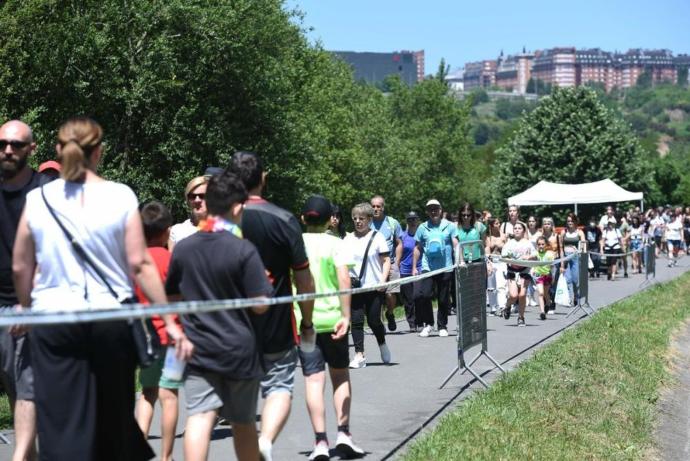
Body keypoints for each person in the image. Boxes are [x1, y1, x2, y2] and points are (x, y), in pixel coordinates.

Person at [13, 117, 192, 460]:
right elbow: (140, 263)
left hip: (54, 321)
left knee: (61, 419)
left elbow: (21, 265)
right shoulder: (119, 196)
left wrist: (27, 306)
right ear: (99, 153)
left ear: (58, 151)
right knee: (111, 417)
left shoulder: (38, 199)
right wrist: (169, 322)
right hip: (109, 320)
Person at [165, 170, 270, 461]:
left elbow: (171, 297)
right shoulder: (243, 249)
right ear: (236, 208)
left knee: (199, 418)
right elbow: (261, 305)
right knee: (243, 422)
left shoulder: (184, 248)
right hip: (239, 348)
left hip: (198, 348)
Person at [228, 151, 315, 461]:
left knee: (239, 400)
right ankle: (264, 441)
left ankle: (249, 451)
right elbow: (304, 279)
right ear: (263, 179)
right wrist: (307, 322)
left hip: (230, 327)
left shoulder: (220, 222)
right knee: (279, 385)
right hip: (276, 323)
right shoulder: (284, 219)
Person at [297, 195, 365, 460]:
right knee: (340, 376)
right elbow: (344, 280)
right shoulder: (336, 243)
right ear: (329, 220)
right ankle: (344, 433)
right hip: (334, 320)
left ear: (303, 218)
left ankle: (320, 442)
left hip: (306, 323)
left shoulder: (295, 244)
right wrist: (346, 316)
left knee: (313, 381)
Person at [0, 120, 42, 461]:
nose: (8, 150)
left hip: (29, 306)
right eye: (3, 144)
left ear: (31, 148)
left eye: (16, 144)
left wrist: (30, 304)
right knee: (15, 391)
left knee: (27, 391)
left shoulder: (44, 192)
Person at [134, 202, 182, 461]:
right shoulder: (172, 260)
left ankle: (139, 448)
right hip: (172, 338)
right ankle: (166, 455)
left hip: (146, 337)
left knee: (147, 393)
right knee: (170, 395)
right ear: (166, 231)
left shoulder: (135, 261)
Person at [343, 203, 391, 368]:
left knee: (373, 320)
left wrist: (383, 282)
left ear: (369, 219)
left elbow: (385, 261)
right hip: (355, 286)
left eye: (361, 218)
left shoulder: (378, 237)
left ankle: (382, 343)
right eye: (355, 218)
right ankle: (359, 355)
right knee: (356, 321)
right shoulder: (348, 239)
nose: (358, 221)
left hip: (374, 286)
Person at [413, 199, 458, 338]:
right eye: (430, 209)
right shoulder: (422, 228)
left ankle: (442, 326)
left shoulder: (450, 226)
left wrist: (459, 260)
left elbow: (456, 244)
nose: (434, 211)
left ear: (441, 210)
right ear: (427, 212)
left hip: (446, 267)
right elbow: (418, 248)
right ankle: (429, 324)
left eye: (436, 208)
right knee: (424, 295)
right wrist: (414, 267)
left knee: (443, 298)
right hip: (428, 267)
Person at [370, 195, 403, 332]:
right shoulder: (367, 223)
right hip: (373, 265)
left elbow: (399, 243)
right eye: (373, 206)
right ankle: (378, 323)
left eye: (379, 206)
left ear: (383, 207)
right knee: (375, 296)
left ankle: (389, 313)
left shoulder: (392, 223)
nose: (376, 209)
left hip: (391, 262)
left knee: (390, 294)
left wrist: (397, 262)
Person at [500, 221, 537, 326]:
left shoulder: (528, 243)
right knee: (513, 295)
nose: (517, 230)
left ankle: (521, 317)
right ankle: (507, 306)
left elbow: (536, 255)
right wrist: (509, 259)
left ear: (523, 231)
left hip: (525, 271)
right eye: (515, 228)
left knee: (522, 295)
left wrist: (529, 257)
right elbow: (503, 256)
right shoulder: (509, 243)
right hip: (512, 271)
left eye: (519, 228)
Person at [168, 175, 208, 252]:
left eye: (202, 196)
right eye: (192, 196)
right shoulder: (177, 231)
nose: (197, 200)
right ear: (188, 201)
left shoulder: (226, 229)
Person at [399, 211, 422, 332]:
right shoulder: (402, 236)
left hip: (419, 269)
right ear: (407, 222)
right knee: (408, 299)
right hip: (405, 270)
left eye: (414, 219)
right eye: (410, 219)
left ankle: (420, 320)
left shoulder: (422, 235)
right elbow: (397, 252)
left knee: (418, 296)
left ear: (418, 221)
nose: (412, 222)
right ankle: (412, 323)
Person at [559, 213, 585, 306]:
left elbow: (583, 247)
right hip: (566, 257)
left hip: (575, 257)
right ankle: (569, 298)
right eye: (568, 221)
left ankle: (576, 296)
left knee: (575, 280)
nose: (570, 223)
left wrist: (579, 250)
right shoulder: (563, 232)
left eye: (572, 221)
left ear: (575, 221)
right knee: (567, 279)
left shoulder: (579, 232)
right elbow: (561, 248)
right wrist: (562, 263)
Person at [486, 217, 507, 316]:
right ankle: (493, 307)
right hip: (491, 261)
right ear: (491, 226)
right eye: (496, 223)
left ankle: (502, 306)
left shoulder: (503, 236)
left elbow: (507, 250)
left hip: (501, 261)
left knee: (501, 285)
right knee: (491, 287)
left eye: (499, 223)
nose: (498, 225)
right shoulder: (488, 237)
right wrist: (488, 263)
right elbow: (487, 251)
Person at [534, 236, 554, 320]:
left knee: (545, 294)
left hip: (547, 275)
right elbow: (530, 258)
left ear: (546, 245)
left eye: (542, 244)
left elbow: (552, 266)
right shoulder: (535, 253)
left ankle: (548, 304)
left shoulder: (550, 253)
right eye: (539, 244)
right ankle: (542, 312)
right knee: (541, 293)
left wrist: (552, 276)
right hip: (538, 275)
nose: (541, 246)